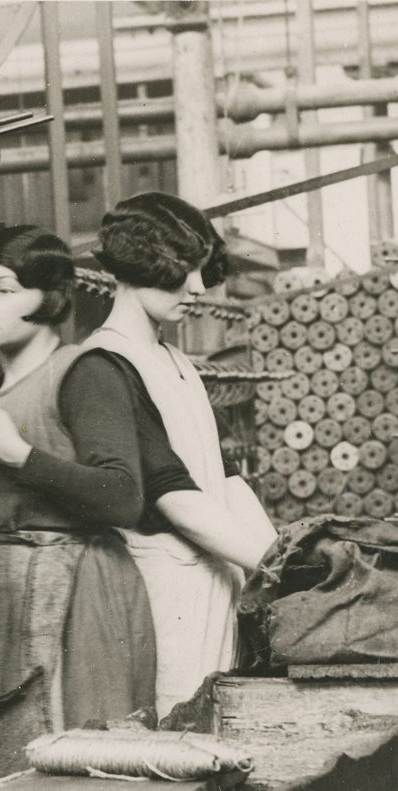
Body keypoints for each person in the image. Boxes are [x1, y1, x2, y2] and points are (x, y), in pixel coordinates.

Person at [0, 227, 157, 779]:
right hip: (1, 597)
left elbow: (124, 497)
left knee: (80, 767)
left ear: (50, 296)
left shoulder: (83, 371)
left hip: (77, 594)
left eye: (4, 288)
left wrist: (20, 456)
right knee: (3, 766)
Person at [80, 192, 277, 713]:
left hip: (216, 587)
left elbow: (227, 477)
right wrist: (271, 564)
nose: (197, 287)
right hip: (163, 596)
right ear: (139, 261)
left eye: (199, 270)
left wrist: (281, 558)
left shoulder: (176, 361)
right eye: (181, 271)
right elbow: (171, 492)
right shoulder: (104, 366)